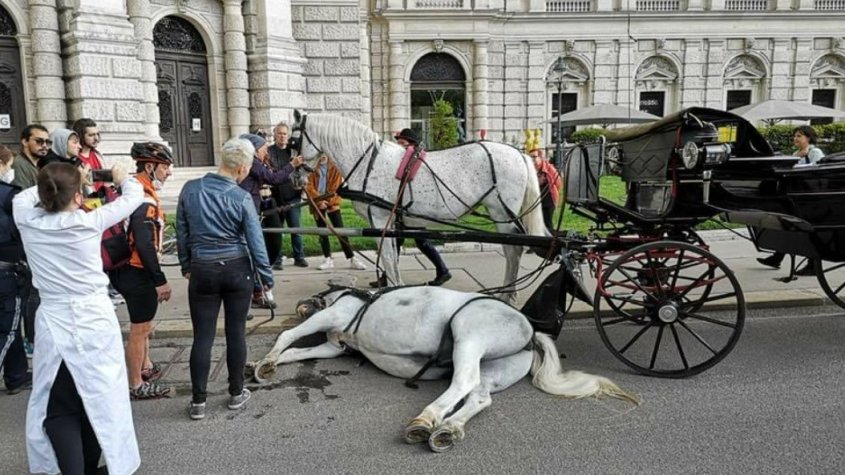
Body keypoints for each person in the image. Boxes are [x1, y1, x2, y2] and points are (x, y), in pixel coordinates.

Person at [14, 161, 142, 475]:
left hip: (53, 320)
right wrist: (121, 178)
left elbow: (22, 197)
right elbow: (133, 196)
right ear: (78, 197)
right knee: (101, 399)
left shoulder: (27, 219)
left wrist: (57, 185)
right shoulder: (88, 222)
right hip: (94, 321)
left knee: (60, 405)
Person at [176, 137, 275, 421]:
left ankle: (198, 402)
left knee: (202, 336)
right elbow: (256, 242)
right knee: (236, 333)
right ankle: (236, 393)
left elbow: (182, 232)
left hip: (202, 268)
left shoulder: (190, 189)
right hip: (237, 269)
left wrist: (186, 265)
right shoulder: (241, 197)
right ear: (242, 168)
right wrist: (266, 278)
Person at [110, 142, 174, 400]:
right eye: (165, 167)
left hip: (125, 267)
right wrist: (160, 280)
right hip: (137, 270)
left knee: (143, 325)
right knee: (139, 329)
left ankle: (145, 367)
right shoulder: (142, 198)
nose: (169, 172)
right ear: (149, 167)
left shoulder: (135, 190)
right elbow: (145, 244)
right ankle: (136, 384)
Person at [374, 128, 451, 287]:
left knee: (417, 241)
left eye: (402, 143)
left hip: (412, 211)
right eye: (397, 143)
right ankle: (388, 276)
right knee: (400, 242)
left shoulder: (414, 162)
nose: (398, 146)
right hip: (404, 212)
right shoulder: (405, 162)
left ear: (411, 145)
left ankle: (443, 271)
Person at [757, 125, 825, 274]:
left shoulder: (815, 152)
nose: (795, 138)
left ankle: (812, 264)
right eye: (795, 136)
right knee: (788, 225)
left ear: (808, 138)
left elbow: (818, 170)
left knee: (806, 229)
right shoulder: (796, 153)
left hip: (811, 197)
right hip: (797, 196)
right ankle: (778, 257)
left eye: (799, 136)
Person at [12, 124, 51, 356]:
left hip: (36, 233)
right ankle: (32, 340)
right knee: (31, 290)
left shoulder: (37, 166)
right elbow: (24, 202)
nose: (44, 146)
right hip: (26, 236)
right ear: (25, 141)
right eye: (39, 141)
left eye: (47, 142)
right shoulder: (20, 166)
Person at [0, 145, 31, 396]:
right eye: (8, 165)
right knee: (8, 328)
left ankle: (16, 375)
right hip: (6, 269)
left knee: (10, 325)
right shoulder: (9, 195)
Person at [306, 154, 367, 271]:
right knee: (322, 232)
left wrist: (327, 201)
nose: (322, 156)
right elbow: (309, 186)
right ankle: (327, 258)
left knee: (340, 230)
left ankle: (352, 258)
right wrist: (319, 201)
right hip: (317, 202)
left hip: (332, 202)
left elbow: (336, 186)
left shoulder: (334, 166)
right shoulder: (311, 166)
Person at [268, 121, 308, 269]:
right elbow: (274, 174)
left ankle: (299, 257)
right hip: (275, 197)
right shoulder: (269, 152)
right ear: (275, 135)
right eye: (279, 133)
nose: (282, 136)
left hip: (293, 197)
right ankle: (277, 259)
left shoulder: (293, 152)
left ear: (288, 135)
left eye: (284, 134)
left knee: (296, 229)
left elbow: (302, 171)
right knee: (277, 231)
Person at [530, 147, 563, 233]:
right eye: (530, 157)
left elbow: (558, 182)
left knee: (547, 223)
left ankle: (550, 239)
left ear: (540, 157)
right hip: (536, 201)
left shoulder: (548, 168)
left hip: (548, 200)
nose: (532, 159)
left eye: (534, 157)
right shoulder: (531, 169)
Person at [73, 118, 106, 192]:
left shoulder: (98, 155)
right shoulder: (75, 159)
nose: (96, 138)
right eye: (91, 135)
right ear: (80, 136)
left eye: (97, 134)